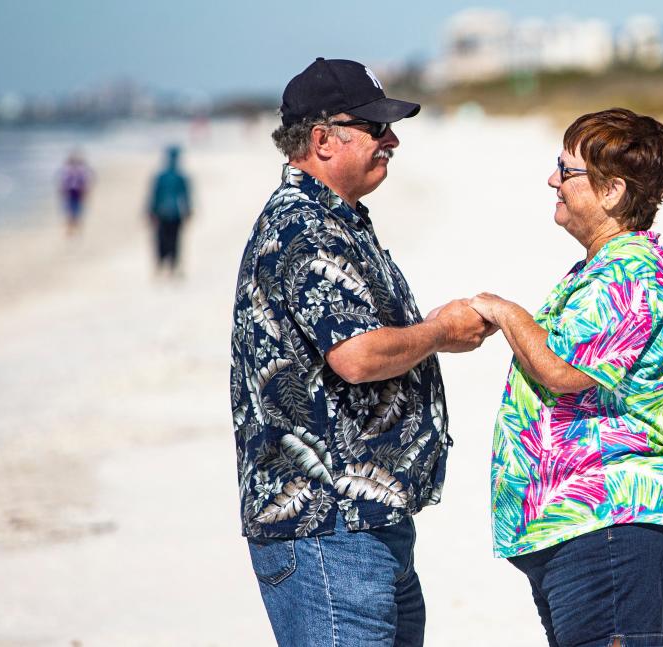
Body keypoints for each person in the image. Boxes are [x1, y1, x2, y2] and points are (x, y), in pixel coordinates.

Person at [229, 57, 490, 647]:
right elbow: (358, 356)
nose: (392, 140)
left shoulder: (336, 220)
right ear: (322, 140)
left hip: (365, 524)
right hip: (326, 530)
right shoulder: (302, 227)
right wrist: (442, 331)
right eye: (377, 128)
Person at [470, 108, 663, 647]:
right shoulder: (602, 269)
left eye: (566, 169)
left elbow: (561, 371)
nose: (553, 179)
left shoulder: (629, 272)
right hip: (584, 523)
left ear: (611, 191)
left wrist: (504, 312)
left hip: (612, 519)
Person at [148, 146, 191, 275]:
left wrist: (151, 211)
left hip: (163, 213)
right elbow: (185, 196)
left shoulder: (161, 176)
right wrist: (188, 211)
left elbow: (154, 195)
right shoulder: (180, 177)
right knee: (174, 240)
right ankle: (171, 266)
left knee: (162, 240)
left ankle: (161, 264)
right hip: (175, 213)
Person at [58, 152, 92, 235]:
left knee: (74, 212)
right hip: (73, 192)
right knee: (73, 212)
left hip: (75, 193)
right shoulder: (71, 171)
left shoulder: (74, 172)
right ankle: (72, 230)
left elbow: (64, 184)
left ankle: (73, 230)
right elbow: (64, 184)